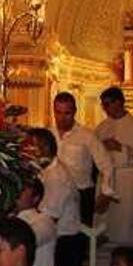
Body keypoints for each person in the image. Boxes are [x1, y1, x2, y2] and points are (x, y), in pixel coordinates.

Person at [94, 87, 133, 266]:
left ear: (119, 102)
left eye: (107, 104)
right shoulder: (102, 127)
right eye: (103, 105)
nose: (105, 109)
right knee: (104, 225)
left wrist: (121, 148)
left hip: (128, 180)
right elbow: (92, 155)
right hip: (106, 179)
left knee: (126, 225)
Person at [26, 128, 81, 266]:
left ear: (45, 148)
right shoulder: (44, 171)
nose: (27, 151)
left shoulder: (57, 176)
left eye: (30, 147)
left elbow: (49, 218)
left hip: (63, 246)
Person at [50, 92, 116, 226]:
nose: (62, 118)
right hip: (53, 194)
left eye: (67, 113)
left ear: (75, 111)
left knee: (80, 240)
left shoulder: (87, 136)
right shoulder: (49, 134)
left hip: (81, 195)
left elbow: (106, 164)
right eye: (58, 112)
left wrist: (106, 192)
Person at [13, 177, 57, 266]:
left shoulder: (45, 221)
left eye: (23, 190)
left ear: (36, 198)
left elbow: (25, 241)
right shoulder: (10, 218)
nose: (17, 194)